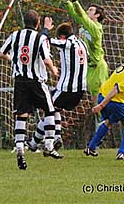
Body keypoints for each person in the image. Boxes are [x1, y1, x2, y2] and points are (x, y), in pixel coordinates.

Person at [0, 10, 60, 170]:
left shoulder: (15, 35)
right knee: (50, 110)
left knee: (22, 115)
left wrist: (13, 60)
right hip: (37, 81)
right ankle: (49, 144)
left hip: (20, 81)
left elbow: (0, 54)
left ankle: (20, 146)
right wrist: (53, 69)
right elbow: (46, 59)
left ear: (24, 22)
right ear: (37, 22)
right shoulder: (40, 38)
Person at [26, 22, 88, 154]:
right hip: (80, 89)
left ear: (62, 37)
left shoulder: (67, 43)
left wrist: (46, 29)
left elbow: (45, 39)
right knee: (55, 109)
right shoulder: (82, 44)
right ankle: (56, 136)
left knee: (49, 111)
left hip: (66, 88)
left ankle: (34, 143)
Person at [60, 0, 109, 104]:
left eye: (91, 10)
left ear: (97, 15)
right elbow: (75, 13)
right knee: (93, 101)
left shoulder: (96, 28)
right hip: (89, 67)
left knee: (99, 100)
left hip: (98, 67)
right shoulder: (85, 24)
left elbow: (81, 14)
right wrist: (66, 1)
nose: (87, 11)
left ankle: (105, 121)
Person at [84, 59, 124, 160]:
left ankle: (91, 147)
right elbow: (116, 89)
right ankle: (122, 152)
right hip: (114, 100)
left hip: (103, 93)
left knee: (110, 120)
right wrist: (101, 105)